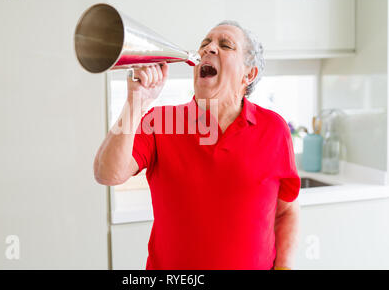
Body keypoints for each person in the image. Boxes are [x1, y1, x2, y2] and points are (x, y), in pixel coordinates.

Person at [94, 20, 301, 270]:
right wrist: (136, 100)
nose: (209, 49)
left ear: (249, 74)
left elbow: (286, 212)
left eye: (225, 45)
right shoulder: (161, 122)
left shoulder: (274, 128)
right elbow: (107, 173)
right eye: (205, 44)